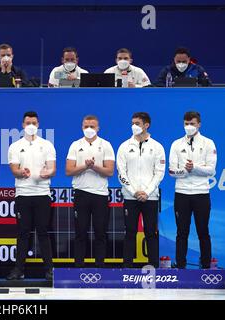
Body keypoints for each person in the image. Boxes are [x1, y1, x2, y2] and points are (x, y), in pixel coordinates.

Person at [6, 111, 55, 280]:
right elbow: (14, 170)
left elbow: (52, 168)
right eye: (28, 123)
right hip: (23, 194)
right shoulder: (15, 146)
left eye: (34, 122)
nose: (31, 126)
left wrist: (46, 173)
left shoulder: (47, 145)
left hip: (42, 194)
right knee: (23, 233)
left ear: (38, 124)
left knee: (42, 232)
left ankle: (49, 270)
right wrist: (21, 172)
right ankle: (18, 270)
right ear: (23, 125)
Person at [117, 112, 165, 268]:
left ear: (146, 125)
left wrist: (147, 192)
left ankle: (153, 267)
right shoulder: (124, 146)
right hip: (131, 197)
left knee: (151, 233)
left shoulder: (157, 147)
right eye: (132, 123)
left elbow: (159, 173)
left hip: (150, 198)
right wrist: (134, 192)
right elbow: (121, 173)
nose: (134, 126)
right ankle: (127, 268)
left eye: (137, 123)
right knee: (130, 232)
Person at [169, 111, 217, 269]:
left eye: (192, 124)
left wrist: (194, 167)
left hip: (201, 194)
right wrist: (185, 171)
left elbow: (210, 170)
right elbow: (171, 171)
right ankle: (181, 266)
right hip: (182, 194)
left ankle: (205, 266)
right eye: (186, 124)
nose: (189, 127)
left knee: (203, 231)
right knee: (181, 232)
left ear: (199, 124)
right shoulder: (176, 144)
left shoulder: (208, 143)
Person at [66, 115, 115, 268]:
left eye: (92, 126)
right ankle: (78, 267)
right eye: (86, 126)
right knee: (80, 233)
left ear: (98, 128)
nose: (89, 129)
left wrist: (94, 166)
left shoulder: (106, 145)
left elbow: (110, 171)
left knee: (100, 233)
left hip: (100, 195)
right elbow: (69, 171)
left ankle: (100, 267)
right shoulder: (75, 145)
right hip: (81, 193)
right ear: (82, 127)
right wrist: (85, 166)